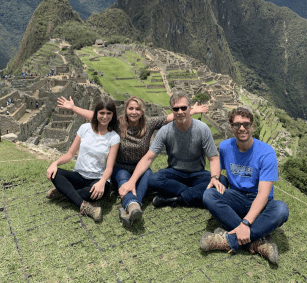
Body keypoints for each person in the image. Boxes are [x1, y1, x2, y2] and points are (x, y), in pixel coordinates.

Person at [57, 95, 208, 226]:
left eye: (137, 109)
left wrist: (191, 111)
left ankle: (132, 205)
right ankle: (133, 205)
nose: (134, 112)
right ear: (126, 110)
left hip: (141, 166)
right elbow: (96, 115)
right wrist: (73, 108)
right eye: (131, 109)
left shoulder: (149, 124)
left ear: (142, 111)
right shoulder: (118, 123)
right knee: (123, 179)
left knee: (146, 178)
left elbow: (171, 117)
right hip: (120, 167)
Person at [200, 106, 289, 265]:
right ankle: (256, 243)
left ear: (252, 126)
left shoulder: (266, 153)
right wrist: (214, 177)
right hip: (236, 197)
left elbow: (263, 194)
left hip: (260, 201)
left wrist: (245, 223)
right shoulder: (226, 147)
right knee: (209, 195)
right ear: (231, 127)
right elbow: (216, 165)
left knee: (281, 209)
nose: (242, 128)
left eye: (246, 124)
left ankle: (228, 239)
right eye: (237, 125)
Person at [118, 90, 222, 209]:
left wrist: (214, 178)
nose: (180, 112)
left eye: (183, 108)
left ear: (189, 108)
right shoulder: (165, 131)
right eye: (176, 109)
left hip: (197, 173)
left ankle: (174, 199)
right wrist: (132, 182)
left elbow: (214, 159)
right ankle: (195, 194)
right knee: (153, 179)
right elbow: (148, 158)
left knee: (222, 180)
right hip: (175, 173)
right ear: (172, 110)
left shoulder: (202, 129)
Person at [46, 97, 120, 222]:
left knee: (94, 193)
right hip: (79, 175)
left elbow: (109, 167)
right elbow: (70, 154)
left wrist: (102, 182)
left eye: (109, 113)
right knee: (55, 173)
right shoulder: (85, 128)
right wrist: (55, 163)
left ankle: (64, 192)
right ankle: (85, 206)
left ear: (113, 115)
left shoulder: (114, 137)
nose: (105, 117)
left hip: (97, 179)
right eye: (101, 113)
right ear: (96, 113)